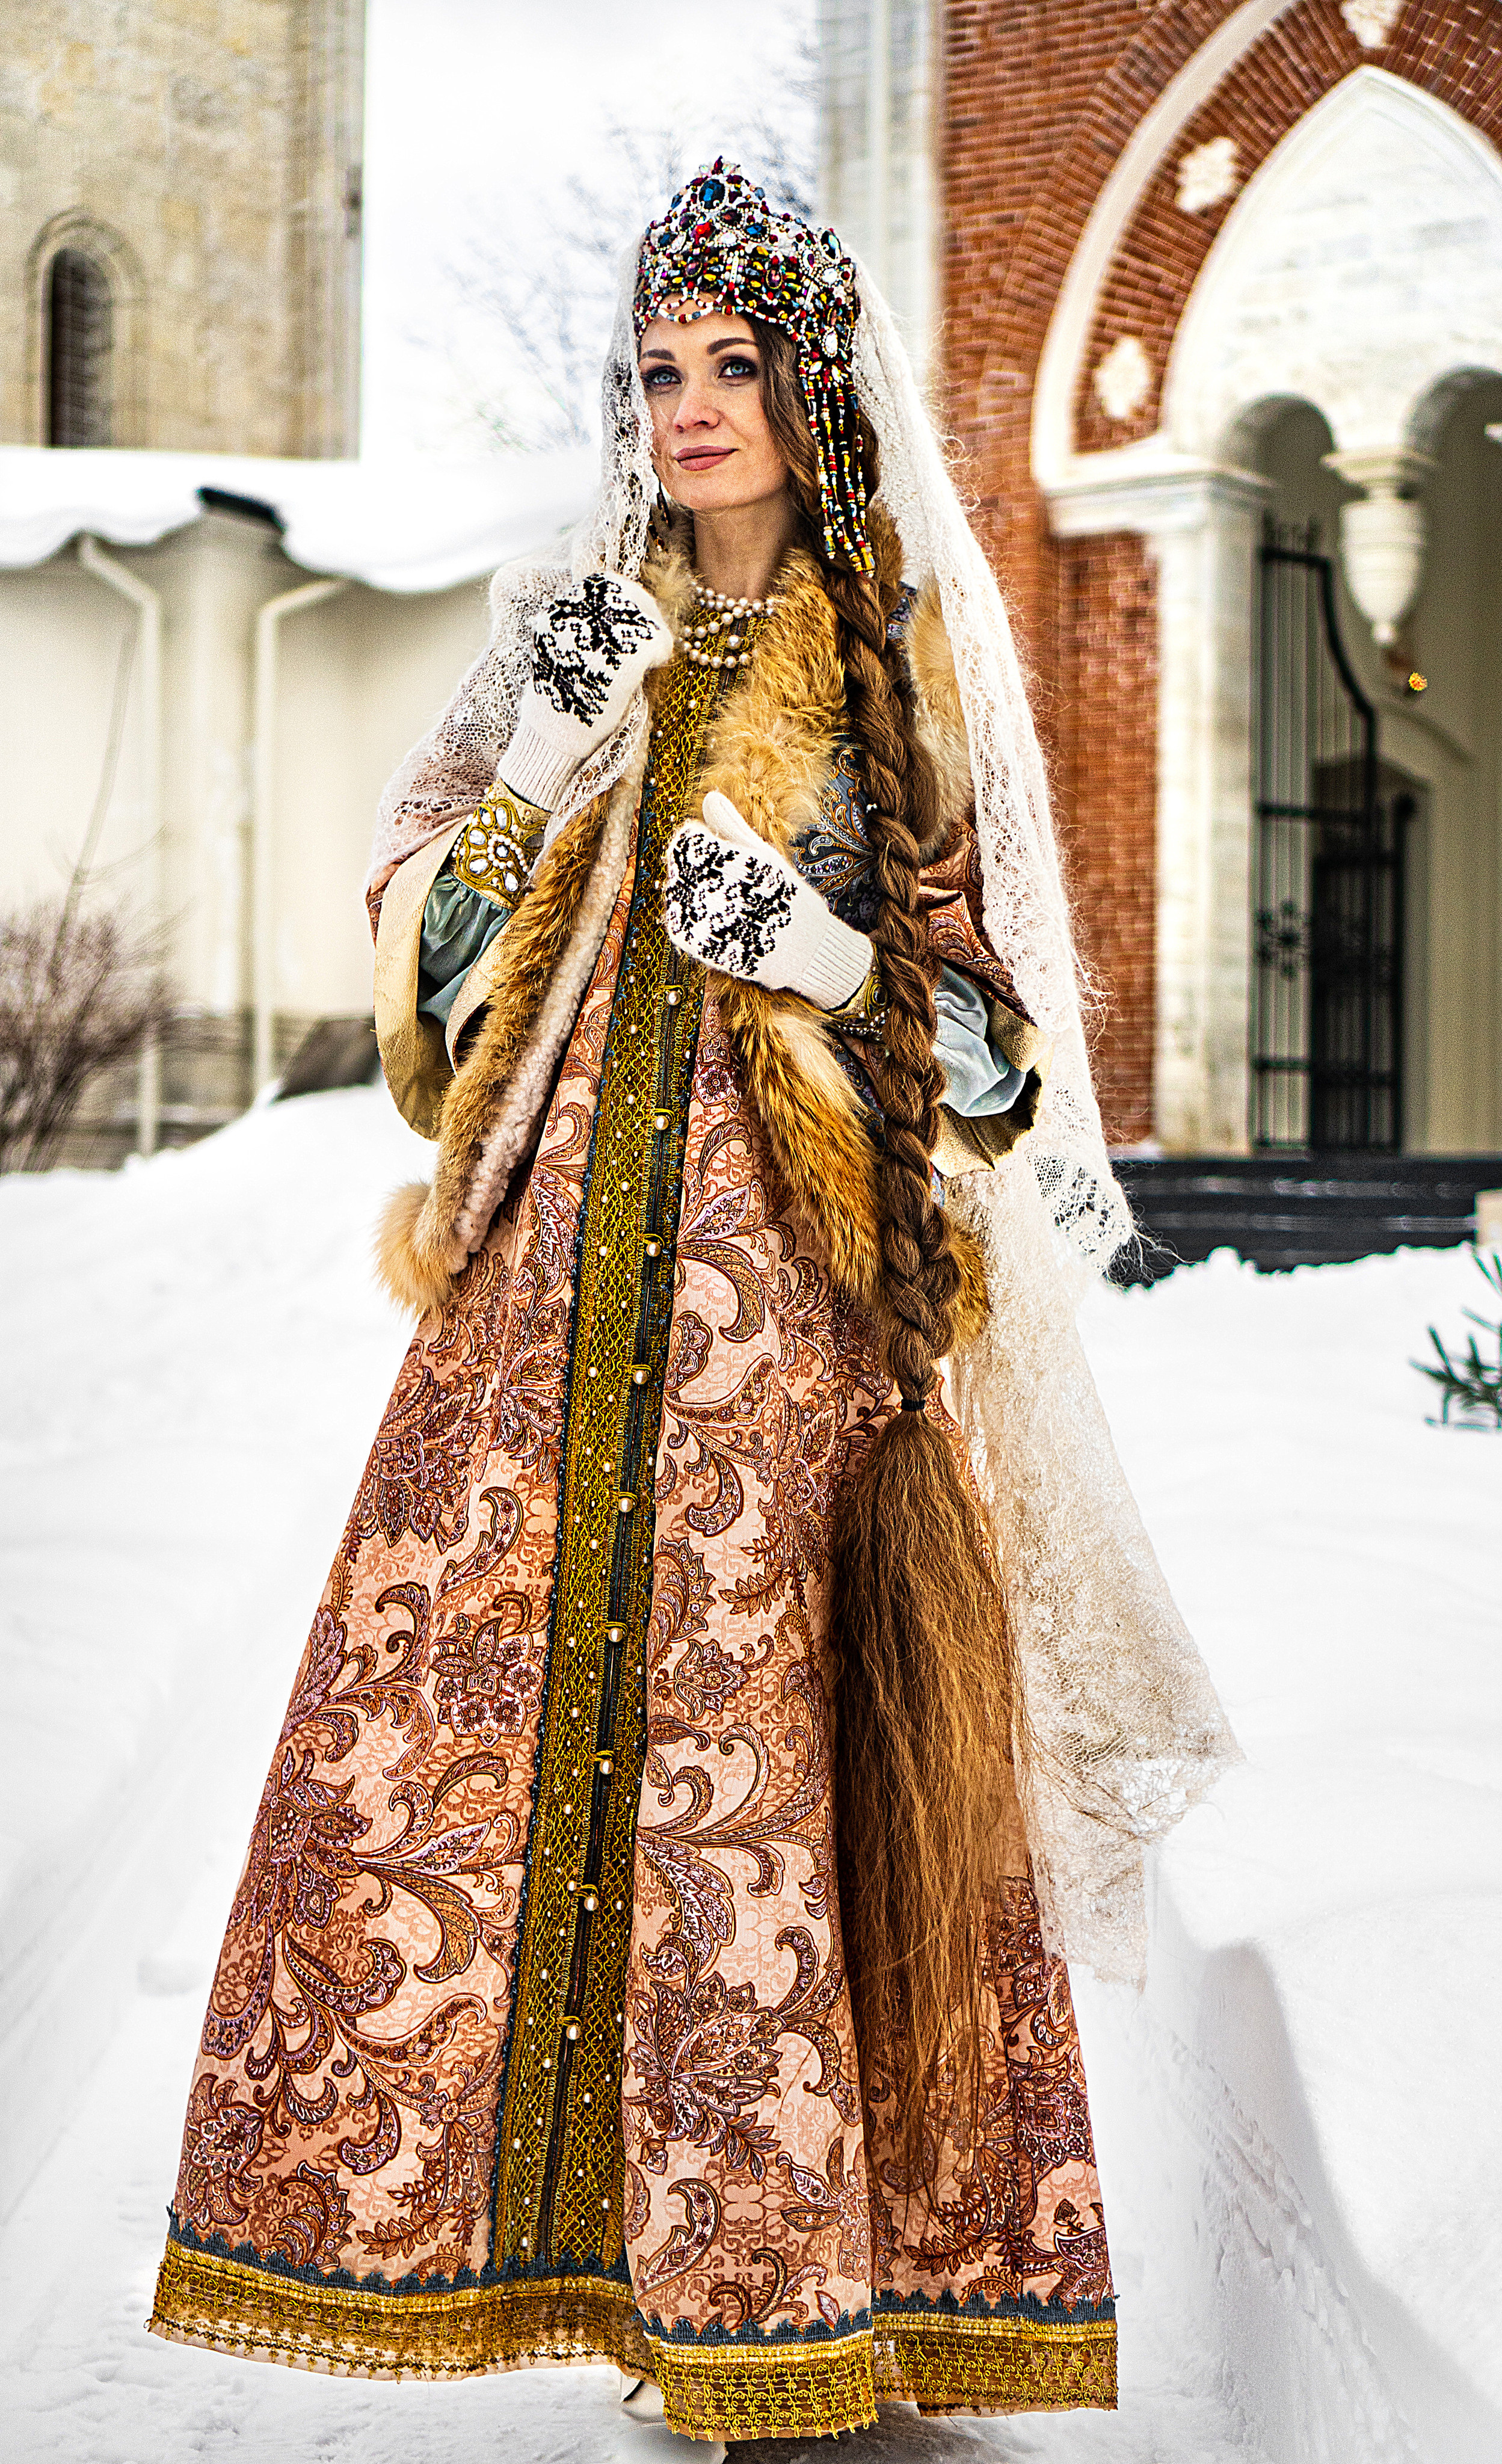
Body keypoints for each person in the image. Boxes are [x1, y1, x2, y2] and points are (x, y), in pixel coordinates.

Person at [150, 162, 1236, 2451]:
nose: (688, 407)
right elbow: (429, 1018)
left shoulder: (897, 665)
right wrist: (541, 762)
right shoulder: (570, 628)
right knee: (477, 1764)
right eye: (657, 367)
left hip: (794, 1340)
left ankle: (776, 2295)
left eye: (734, 362)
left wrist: (828, 956)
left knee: (752, 1793)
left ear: (814, 381)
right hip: (543, 1307)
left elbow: (1008, 1064)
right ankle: (553, 2261)